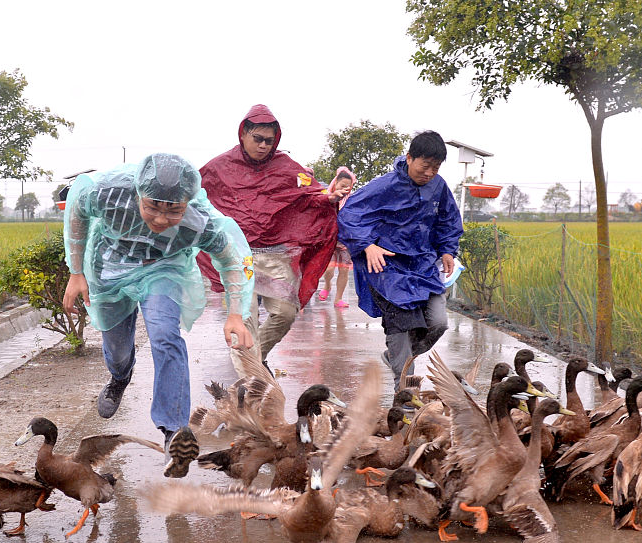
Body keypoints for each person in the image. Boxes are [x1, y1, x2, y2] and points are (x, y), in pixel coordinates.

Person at [62, 153, 255, 477]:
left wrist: (235, 314)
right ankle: (119, 378)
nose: (162, 219)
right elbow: (77, 210)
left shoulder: (198, 221)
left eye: (173, 209)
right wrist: (76, 271)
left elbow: (232, 260)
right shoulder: (108, 194)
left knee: (166, 336)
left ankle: (174, 430)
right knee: (118, 350)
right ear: (138, 194)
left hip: (162, 270)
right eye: (152, 206)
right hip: (109, 268)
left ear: (187, 203)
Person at [198, 104, 346, 374]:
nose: (264, 146)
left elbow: (309, 194)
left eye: (269, 141)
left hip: (274, 254)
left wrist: (329, 197)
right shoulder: (219, 168)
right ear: (243, 134)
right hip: (236, 256)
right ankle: (251, 385)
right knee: (245, 320)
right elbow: (194, 196)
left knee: (286, 313)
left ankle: (255, 359)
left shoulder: (286, 168)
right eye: (258, 139)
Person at [337, 130, 462, 389]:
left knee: (438, 322)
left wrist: (448, 250)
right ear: (409, 158)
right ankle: (404, 390)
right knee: (401, 325)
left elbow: (448, 220)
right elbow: (349, 214)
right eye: (425, 166)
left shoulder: (438, 187)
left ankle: (396, 358)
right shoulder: (384, 186)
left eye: (435, 168)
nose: (429, 173)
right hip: (388, 267)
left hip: (423, 265)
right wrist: (367, 245)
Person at [316, 167, 357, 308]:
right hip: (329, 239)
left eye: (348, 186)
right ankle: (327, 286)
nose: (346, 189)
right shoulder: (327, 197)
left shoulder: (351, 200)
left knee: (344, 270)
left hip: (345, 240)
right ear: (335, 183)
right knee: (329, 269)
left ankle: (338, 299)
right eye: (342, 186)